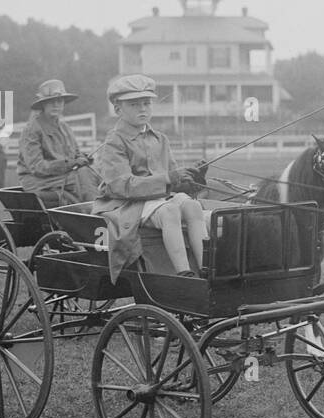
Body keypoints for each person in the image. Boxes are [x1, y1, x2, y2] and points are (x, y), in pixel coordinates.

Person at [91, 74, 211, 281]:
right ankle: (184, 274)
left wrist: (191, 179)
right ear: (118, 109)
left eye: (146, 103)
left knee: (193, 206)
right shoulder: (114, 142)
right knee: (170, 210)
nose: (143, 109)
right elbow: (122, 186)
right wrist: (169, 178)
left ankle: (207, 268)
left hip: (157, 200)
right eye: (134, 104)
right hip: (126, 204)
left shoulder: (160, 139)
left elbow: (173, 183)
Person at [18, 79, 98, 205]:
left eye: (59, 101)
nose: (56, 105)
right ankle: (94, 213)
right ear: (43, 105)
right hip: (38, 181)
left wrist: (82, 158)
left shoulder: (64, 127)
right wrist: (70, 164)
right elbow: (37, 167)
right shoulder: (32, 130)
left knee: (95, 175)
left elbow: (75, 154)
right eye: (51, 102)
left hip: (62, 177)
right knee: (82, 177)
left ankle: (97, 211)